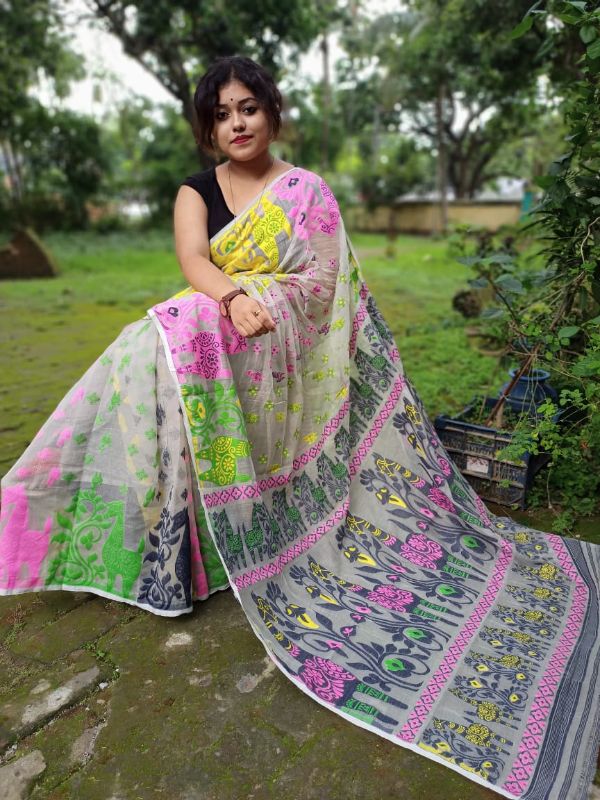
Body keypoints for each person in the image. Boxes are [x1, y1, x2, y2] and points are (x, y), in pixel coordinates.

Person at [1, 56, 599, 800]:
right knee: (152, 358)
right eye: (222, 114)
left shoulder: (306, 191)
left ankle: (230, 544)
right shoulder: (195, 191)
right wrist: (233, 300)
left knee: (188, 357)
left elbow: (324, 286)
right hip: (215, 335)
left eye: (248, 107)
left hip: (279, 348)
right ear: (208, 127)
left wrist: (269, 304)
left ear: (272, 112)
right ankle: (116, 540)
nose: (237, 123)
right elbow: (193, 259)